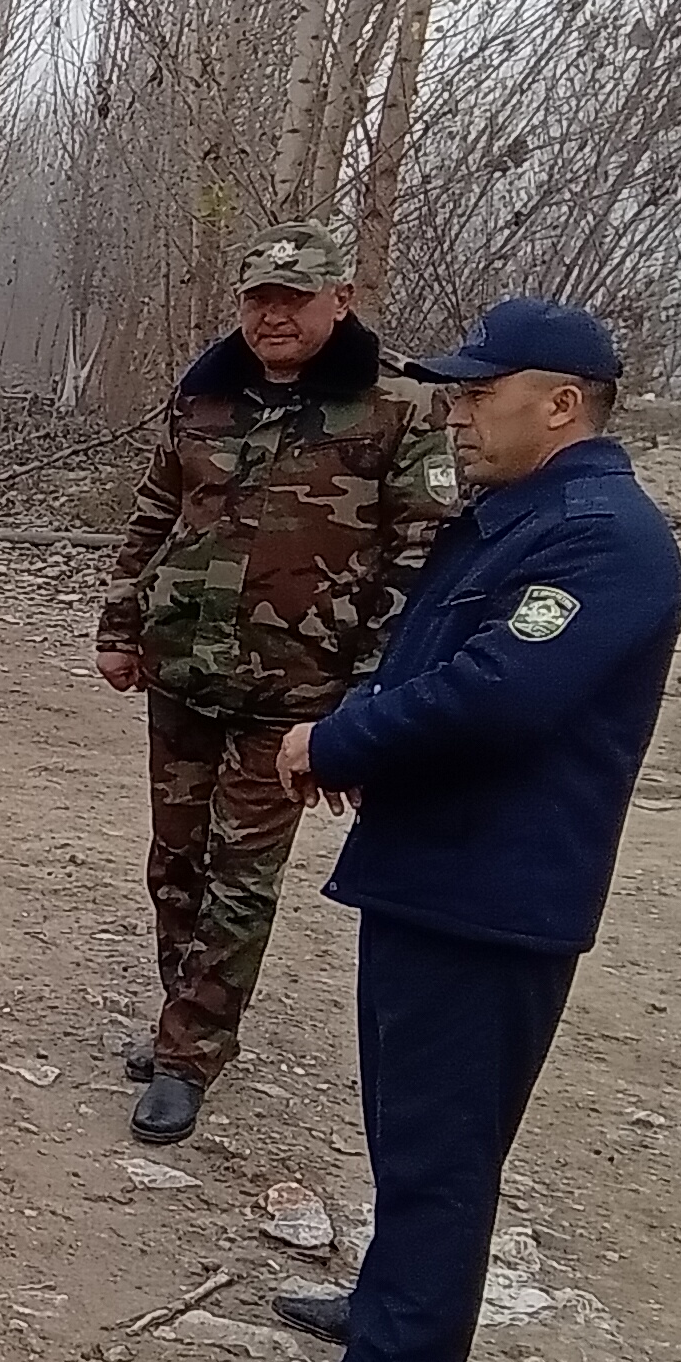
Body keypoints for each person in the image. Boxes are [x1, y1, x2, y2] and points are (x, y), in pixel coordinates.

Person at [257, 297, 681, 1362]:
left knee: (445, 1140)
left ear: (562, 404)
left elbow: (501, 693)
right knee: (410, 1124)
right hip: (436, 864)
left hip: (495, 889)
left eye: (480, 395)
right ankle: (391, 1305)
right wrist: (367, 739)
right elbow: (432, 660)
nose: (457, 414)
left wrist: (338, 739)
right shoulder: (517, 516)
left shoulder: (602, 536)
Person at [94, 218, 453, 1146]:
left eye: (295, 299)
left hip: (298, 694)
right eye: (260, 300)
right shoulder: (207, 392)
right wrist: (120, 625)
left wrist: (370, 693)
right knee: (175, 864)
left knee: (241, 876)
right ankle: (181, 1018)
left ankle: (190, 1056)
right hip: (184, 673)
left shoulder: (398, 406)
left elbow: (420, 557)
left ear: (341, 300)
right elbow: (156, 513)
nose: (274, 317)